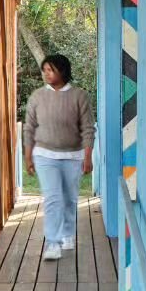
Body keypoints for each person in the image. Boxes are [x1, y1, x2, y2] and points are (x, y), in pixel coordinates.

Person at [23, 52, 95, 262]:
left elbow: (88, 129)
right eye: (44, 70)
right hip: (45, 155)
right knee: (53, 198)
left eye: (51, 70)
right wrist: (28, 156)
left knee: (69, 198)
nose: (46, 74)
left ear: (62, 71)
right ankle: (53, 243)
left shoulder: (79, 96)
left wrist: (87, 157)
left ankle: (67, 233)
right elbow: (29, 128)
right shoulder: (37, 97)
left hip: (72, 156)